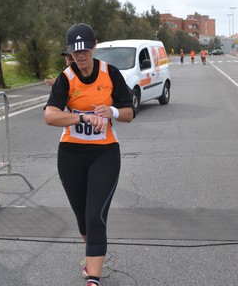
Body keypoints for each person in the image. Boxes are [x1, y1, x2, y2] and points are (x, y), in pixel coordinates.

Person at [44, 23, 134, 286]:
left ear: (94, 47)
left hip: (105, 153)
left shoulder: (110, 74)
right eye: (75, 52)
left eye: (85, 50)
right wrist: (81, 116)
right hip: (71, 155)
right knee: (83, 217)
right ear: (70, 53)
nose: (81, 56)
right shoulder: (66, 78)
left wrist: (112, 112)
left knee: (96, 215)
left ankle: (93, 278)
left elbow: (129, 112)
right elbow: (49, 116)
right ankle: (91, 252)